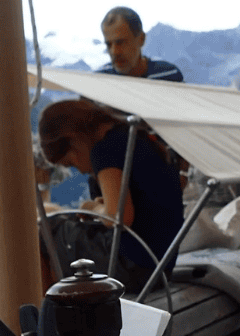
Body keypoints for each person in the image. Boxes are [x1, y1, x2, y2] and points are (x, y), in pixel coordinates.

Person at [37, 99, 184, 288]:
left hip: (133, 267)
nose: (80, 171)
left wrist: (94, 207)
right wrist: (101, 204)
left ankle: (46, 308)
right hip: (160, 267)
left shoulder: (104, 150)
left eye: (70, 163)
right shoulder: (134, 137)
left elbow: (118, 217)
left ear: (73, 139)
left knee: (46, 229)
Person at [97, 6, 183, 81]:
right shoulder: (99, 80)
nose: (114, 52)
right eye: (109, 44)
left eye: (121, 43)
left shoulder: (169, 75)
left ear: (141, 39)